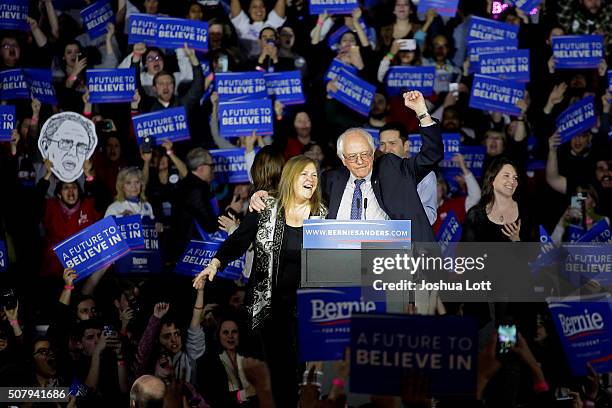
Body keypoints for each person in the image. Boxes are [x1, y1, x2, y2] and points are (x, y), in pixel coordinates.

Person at [193, 155, 326, 408]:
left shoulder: (323, 215)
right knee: (274, 377)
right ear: (290, 178)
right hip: (267, 310)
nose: (311, 179)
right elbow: (239, 239)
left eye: (314, 175)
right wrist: (214, 263)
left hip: (305, 312)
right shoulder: (268, 209)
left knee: (297, 377)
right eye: (304, 174)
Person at [461, 157, 536, 242]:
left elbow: (534, 253)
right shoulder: (476, 215)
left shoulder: (527, 211)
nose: (512, 181)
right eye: (506, 176)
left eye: (515, 177)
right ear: (492, 180)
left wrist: (517, 241)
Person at [378, 121, 437, 225]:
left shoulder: (425, 174)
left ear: (406, 146)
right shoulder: (375, 172)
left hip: (409, 237)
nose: (386, 149)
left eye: (392, 143)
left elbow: (430, 217)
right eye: (382, 144)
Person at [197, 317, 256, 407]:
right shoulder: (207, 362)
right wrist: (243, 394)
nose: (230, 336)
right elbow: (213, 398)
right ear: (218, 335)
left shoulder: (249, 357)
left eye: (234, 332)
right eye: (225, 332)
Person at [172, 148, 218, 259]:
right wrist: (232, 210)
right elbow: (209, 225)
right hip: (191, 254)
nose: (213, 169)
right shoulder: (196, 189)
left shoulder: (189, 184)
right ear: (201, 168)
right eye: (211, 166)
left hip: (190, 251)